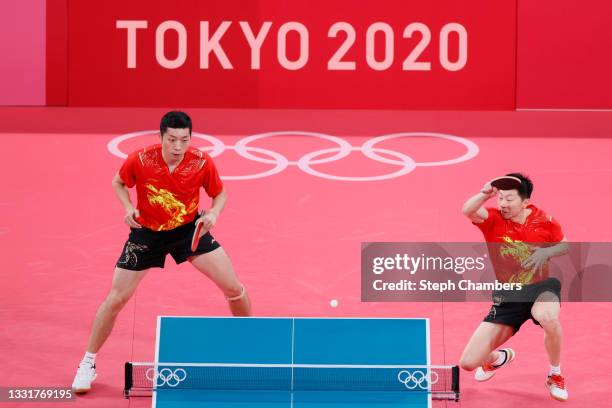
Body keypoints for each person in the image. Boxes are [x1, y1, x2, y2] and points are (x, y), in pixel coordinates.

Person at [71, 111, 251, 393]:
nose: (178, 147)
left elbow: (221, 193)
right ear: (161, 137)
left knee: (234, 288)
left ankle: (250, 346)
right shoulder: (140, 160)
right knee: (116, 299)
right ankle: (87, 363)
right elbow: (118, 182)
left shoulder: (202, 162)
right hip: (147, 234)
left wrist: (214, 213)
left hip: (187, 232)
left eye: (184, 140)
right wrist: (128, 208)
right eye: (172, 140)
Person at [459, 173, 569, 402]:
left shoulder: (545, 220)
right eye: (500, 198)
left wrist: (546, 252)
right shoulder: (493, 219)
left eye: (509, 199)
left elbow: (564, 244)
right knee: (468, 363)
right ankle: (497, 359)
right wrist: (484, 194)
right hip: (509, 295)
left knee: (549, 318)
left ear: (525, 202)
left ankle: (555, 374)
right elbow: (467, 210)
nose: (503, 204)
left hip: (541, 288)